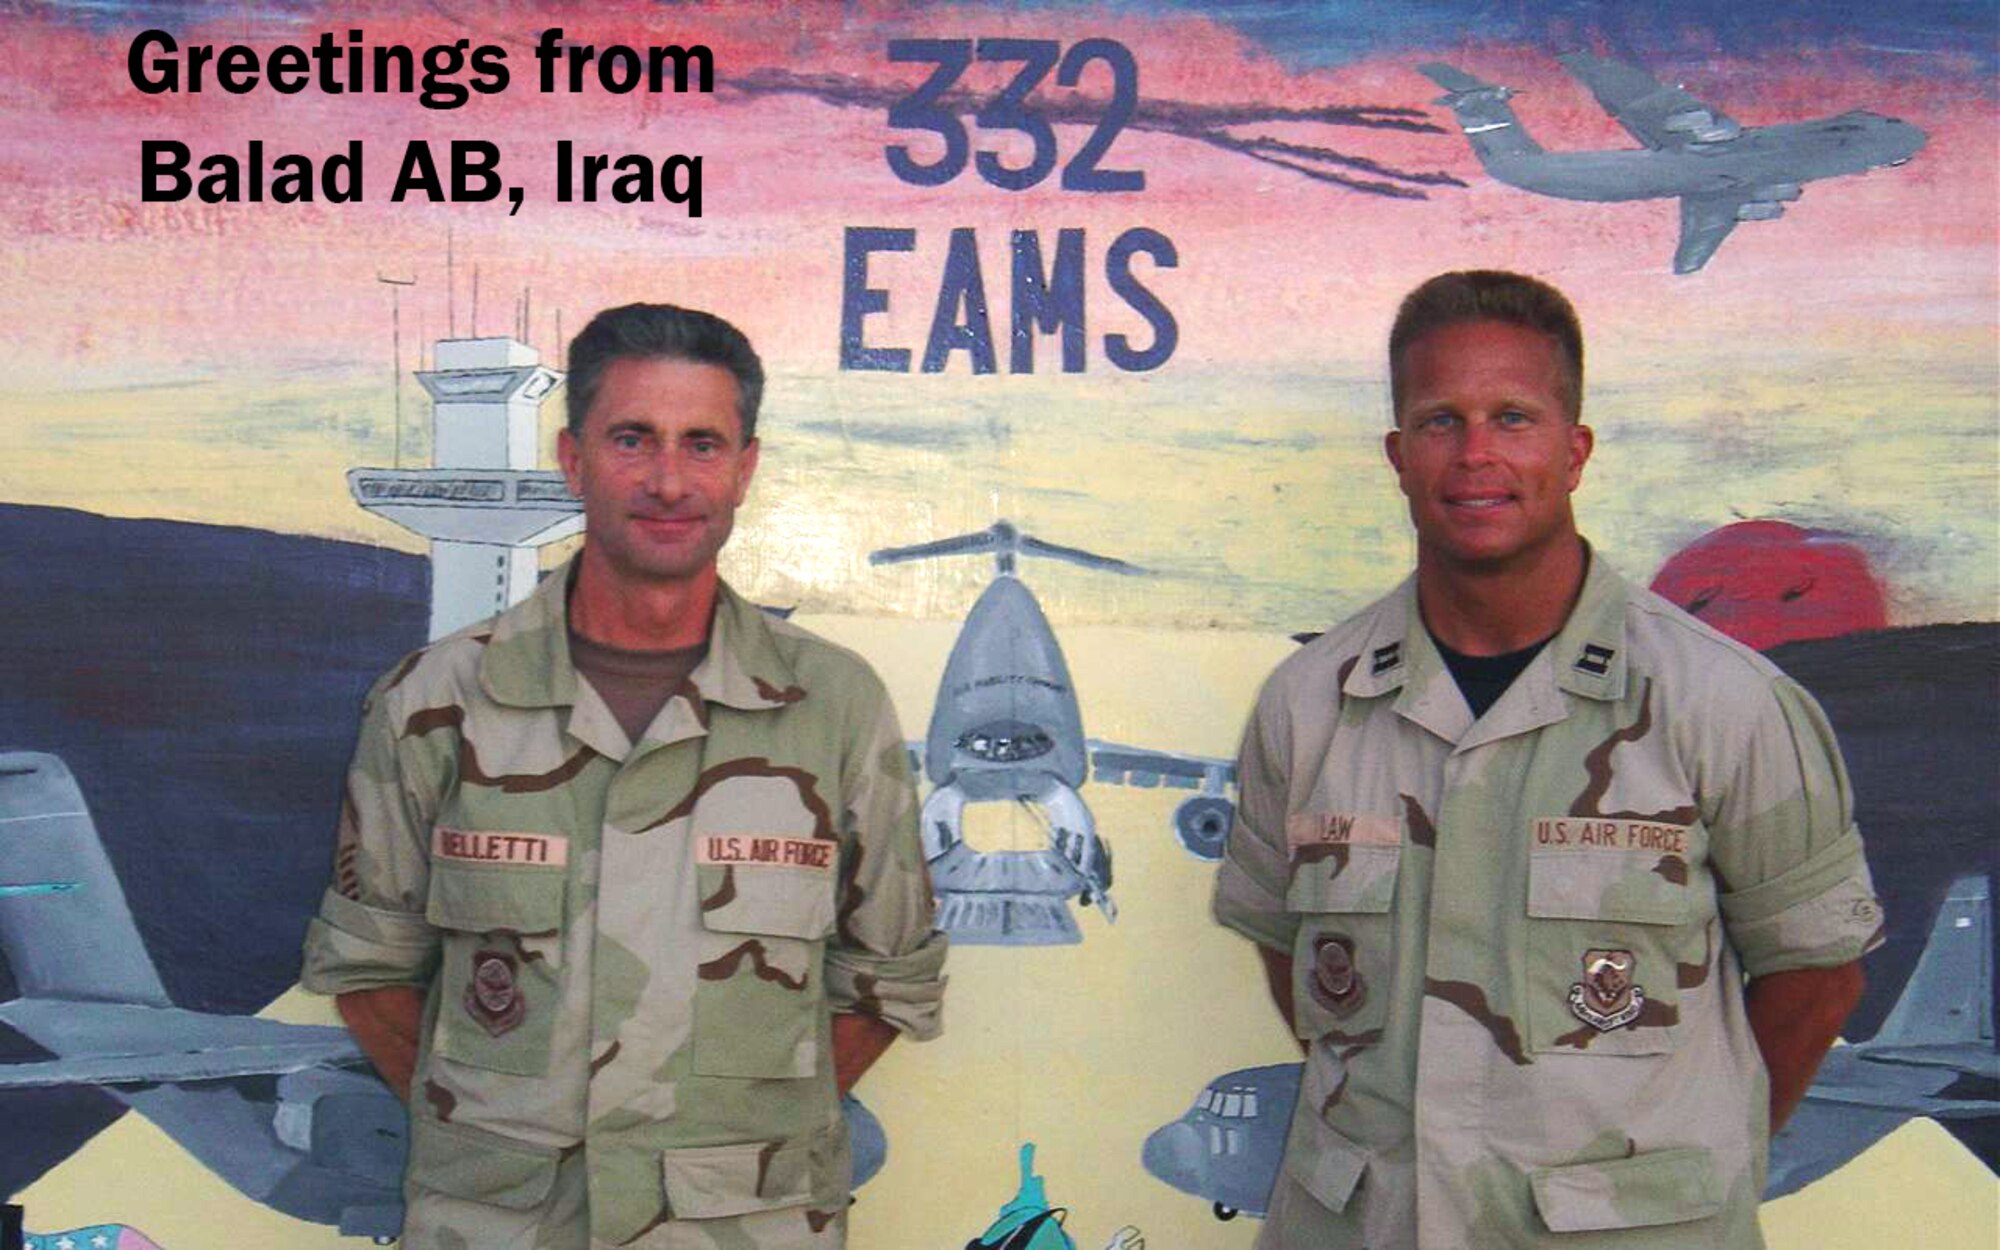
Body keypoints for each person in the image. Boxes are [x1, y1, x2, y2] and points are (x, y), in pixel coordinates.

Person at [1212, 271, 1879, 1247]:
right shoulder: (1311, 702)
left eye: (1512, 416)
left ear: (1573, 451)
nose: (1475, 453)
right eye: (1439, 420)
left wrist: (1674, 1176)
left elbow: (1815, 977)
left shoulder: (1720, 702)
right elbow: (1290, 952)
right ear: (1397, 456)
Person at [302, 303, 947, 1249]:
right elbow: (368, 971)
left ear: (746, 469)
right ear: (573, 460)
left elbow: (889, 982)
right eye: (633, 439)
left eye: (702, 444)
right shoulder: (438, 700)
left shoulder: (832, 706)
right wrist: (506, 1140)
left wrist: (723, 1152)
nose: (669, 480)